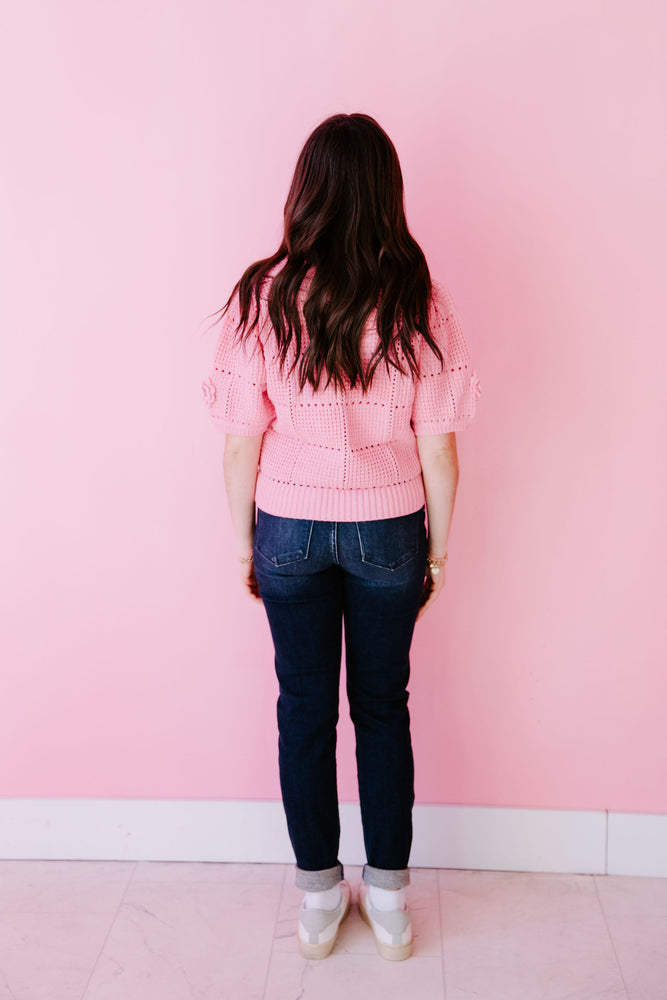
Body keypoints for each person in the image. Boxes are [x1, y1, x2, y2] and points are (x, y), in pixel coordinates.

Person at [201, 112, 482, 961]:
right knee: (383, 710)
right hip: (387, 529)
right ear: (385, 194)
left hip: (286, 526)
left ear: (307, 190)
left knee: (302, 712)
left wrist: (245, 543)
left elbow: (240, 439)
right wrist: (437, 550)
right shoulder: (414, 298)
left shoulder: (264, 296)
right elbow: (438, 445)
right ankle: (389, 901)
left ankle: (320, 900)